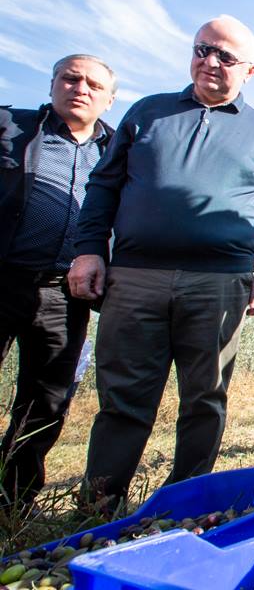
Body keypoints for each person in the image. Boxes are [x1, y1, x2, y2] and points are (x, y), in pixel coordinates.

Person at [68, 16, 254, 504]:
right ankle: (99, 506)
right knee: (123, 398)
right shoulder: (148, 112)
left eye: (225, 56)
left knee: (205, 398)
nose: (210, 61)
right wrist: (89, 250)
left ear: (250, 71)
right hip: (135, 277)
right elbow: (103, 185)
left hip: (221, 283)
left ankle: (184, 506)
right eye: (201, 49)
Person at [0, 55, 116, 507]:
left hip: (66, 293)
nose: (80, 88)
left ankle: (13, 501)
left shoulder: (118, 149)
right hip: (6, 275)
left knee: (46, 401)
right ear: (52, 85)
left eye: (93, 84)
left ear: (109, 99)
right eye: (70, 78)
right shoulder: (11, 126)